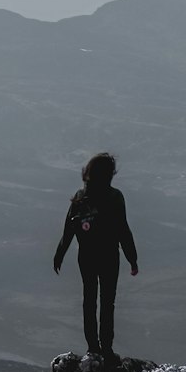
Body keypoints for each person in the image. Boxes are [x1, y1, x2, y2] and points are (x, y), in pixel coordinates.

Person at [53, 151, 138, 358]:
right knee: (108, 302)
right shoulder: (114, 197)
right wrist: (132, 258)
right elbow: (123, 230)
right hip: (109, 256)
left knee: (89, 300)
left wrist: (60, 254)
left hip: (86, 257)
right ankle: (106, 348)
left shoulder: (80, 198)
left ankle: (93, 347)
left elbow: (68, 230)